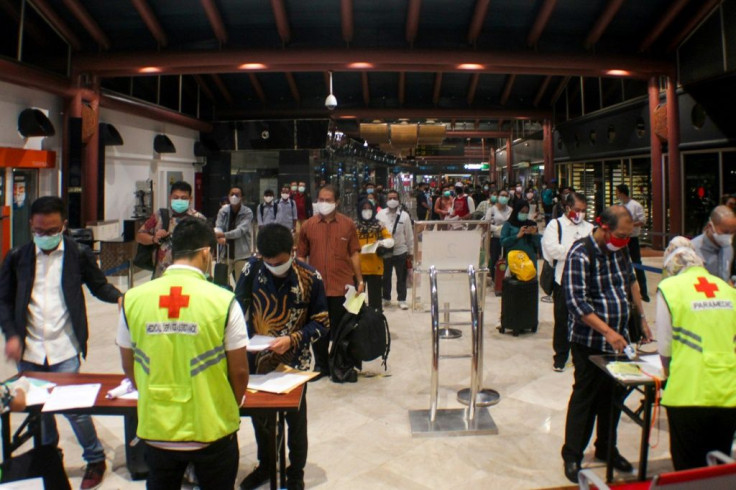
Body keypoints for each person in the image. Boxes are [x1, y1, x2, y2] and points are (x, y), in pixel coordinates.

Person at [0, 196, 123, 490]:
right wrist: (12, 335)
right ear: (31, 225)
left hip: (64, 345)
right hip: (29, 348)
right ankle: (48, 456)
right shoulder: (17, 256)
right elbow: (3, 300)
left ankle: (95, 458)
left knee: (75, 409)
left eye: (52, 230)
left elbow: (98, 285)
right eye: (40, 231)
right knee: (39, 409)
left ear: (63, 226)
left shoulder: (78, 255)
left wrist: (121, 297)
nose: (45, 236)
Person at [118, 217, 249, 490]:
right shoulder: (223, 301)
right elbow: (239, 371)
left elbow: (129, 366)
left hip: (157, 429)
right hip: (211, 429)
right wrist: (227, 406)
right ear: (205, 253)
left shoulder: (133, 299)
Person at [560, 205, 652, 484]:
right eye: (622, 234)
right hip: (589, 341)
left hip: (619, 341)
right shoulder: (581, 253)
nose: (625, 240)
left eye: (629, 235)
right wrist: (607, 332)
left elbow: (630, 282)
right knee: (586, 395)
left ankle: (605, 447)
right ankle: (573, 454)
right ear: (605, 228)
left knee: (613, 397)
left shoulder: (619, 251)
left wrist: (642, 318)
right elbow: (576, 302)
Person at [235, 224, 328, 490]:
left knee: (296, 422)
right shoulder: (251, 270)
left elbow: (322, 322)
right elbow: (236, 307)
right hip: (257, 362)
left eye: (279, 262)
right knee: (260, 419)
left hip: (294, 364)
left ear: (293, 251)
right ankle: (266, 465)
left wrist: (293, 339)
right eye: (268, 262)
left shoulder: (310, 277)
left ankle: (295, 471)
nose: (273, 266)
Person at [656, 238, 736, 471]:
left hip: (688, 392)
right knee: (718, 468)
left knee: (689, 469)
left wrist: (667, 373)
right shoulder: (725, 288)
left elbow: (665, 345)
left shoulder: (670, 289)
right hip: (728, 392)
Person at [297, 185, 363, 377]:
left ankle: (341, 364)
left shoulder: (348, 225)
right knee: (318, 329)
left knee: (342, 330)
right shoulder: (308, 225)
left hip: (342, 287)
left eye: (328, 200)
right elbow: (301, 255)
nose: (323, 203)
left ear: (337, 202)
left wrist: (359, 279)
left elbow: (354, 253)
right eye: (321, 199)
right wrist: (302, 279)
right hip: (316, 289)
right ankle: (321, 366)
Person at [541, 192, 593, 372]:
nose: (580, 213)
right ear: (568, 207)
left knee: (586, 319)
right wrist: (579, 251)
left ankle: (582, 355)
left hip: (586, 281)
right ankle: (561, 356)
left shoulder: (590, 228)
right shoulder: (555, 225)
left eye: (583, 210)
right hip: (562, 279)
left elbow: (595, 251)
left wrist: (570, 250)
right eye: (577, 209)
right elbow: (552, 250)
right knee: (562, 320)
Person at [137, 180, 206, 279]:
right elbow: (139, 236)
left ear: (190, 199)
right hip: (162, 275)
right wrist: (154, 239)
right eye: (176, 197)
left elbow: (207, 246)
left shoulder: (199, 219)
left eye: (184, 198)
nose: (179, 200)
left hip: (189, 275)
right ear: (170, 198)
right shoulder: (160, 215)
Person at [377, 190, 413, 310]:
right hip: (386, 251)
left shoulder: (405, 216)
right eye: (390, 198)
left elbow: (409, 235)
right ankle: (386, 298)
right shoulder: (380, 214)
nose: (392, 200)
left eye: (394, 198)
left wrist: (410, 252)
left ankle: (402, 299)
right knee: (386, 276)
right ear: (386, 200)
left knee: (401, 277)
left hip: (400, 250)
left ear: (398, 200)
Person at [356, 200, 394, 311]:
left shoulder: (379, 225)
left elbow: (390, 239)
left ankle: (375, 325)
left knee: (375, 303)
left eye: (369, 208)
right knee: (358, 304)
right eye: (364, 208)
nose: (367, 211)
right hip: (358, 269)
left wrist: (381, 243)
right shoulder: (354, 226)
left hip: (375, 267)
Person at [616, 184, 649, 301]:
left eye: (617, 192)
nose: (616, 194)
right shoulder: (620, 206)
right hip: (621, 238)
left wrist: (630, 224)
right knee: (622, 264)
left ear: (622, 193)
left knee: (637, 264)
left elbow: (642, 221)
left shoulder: (635, 205)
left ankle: (644, 292)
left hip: (632, 238)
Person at [215, 185, 254, 281]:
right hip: (225, 253)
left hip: (242, 255)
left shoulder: (247, 212)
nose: (234, 197)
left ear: (242, 197)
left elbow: (240, 231)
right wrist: (219, 235)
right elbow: (218, 226)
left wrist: (224, 235)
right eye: (232, 194)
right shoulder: (223, 211)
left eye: (237, 195)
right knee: (221, 283)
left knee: (241, 284)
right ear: (228, 196)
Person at [691, 205, 736, 283]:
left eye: (733, 232)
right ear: (710, 226)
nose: (729, 236)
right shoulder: (692, 250)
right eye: (725, 232)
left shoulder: (728, 247)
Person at [500, 200, 541, 266]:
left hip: (529, 261)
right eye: (522, 212)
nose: (524, 214)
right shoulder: (508, 224)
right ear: (516, 211)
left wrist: (534, 234)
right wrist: (517, 236)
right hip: (514, 262)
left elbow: (538, 244)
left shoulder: (531, 224)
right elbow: (503, 242)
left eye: (526, 212)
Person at [485, 189, 512, 278]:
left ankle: (505, 278)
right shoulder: (492, 210)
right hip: (495, 238)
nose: (504, 198)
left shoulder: (510, 210)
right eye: (502, 195)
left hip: (507, 238)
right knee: (495, 259)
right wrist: (498, 228)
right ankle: (495, 278)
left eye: (506, 196)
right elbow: (487, 224)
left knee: (507, 259)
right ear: (498, 197)